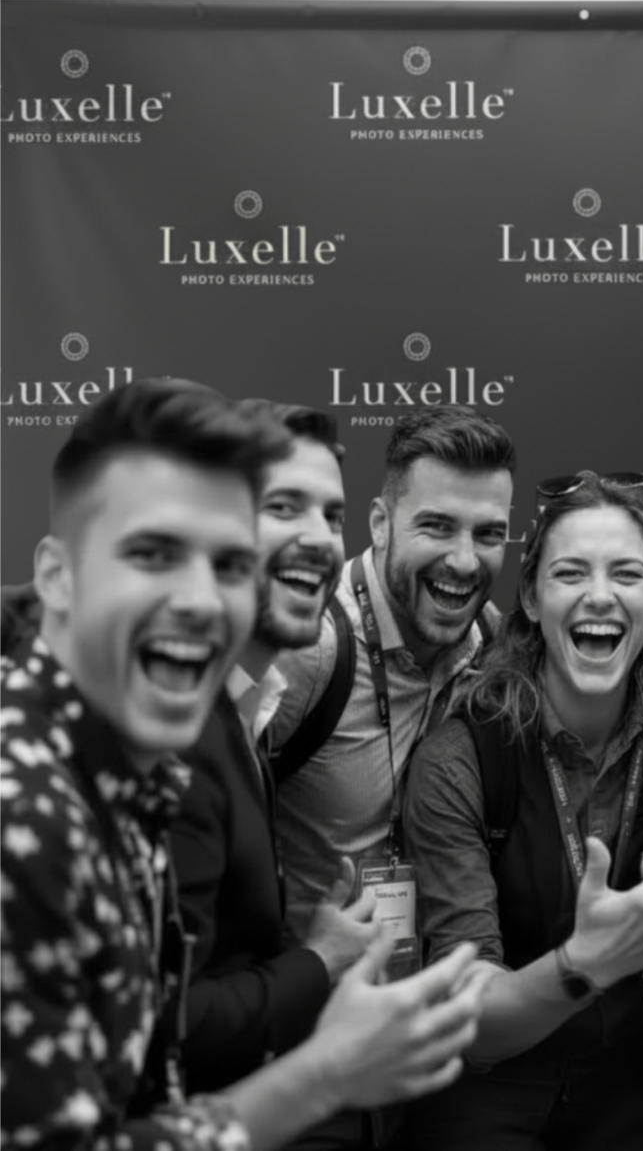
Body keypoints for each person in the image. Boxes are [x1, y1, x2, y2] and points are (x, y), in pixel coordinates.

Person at [1, 379, 486, 1151]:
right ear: (61, 575)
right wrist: (322, 1058)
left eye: (229, 564)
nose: (199, 600)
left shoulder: (150, 753)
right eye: (155, 554)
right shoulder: (33, 805)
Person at [401, 470, 643, 1150]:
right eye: (570, 574)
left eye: (626, 574)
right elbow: (473, 1022)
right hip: (488, 1083)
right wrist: (586, 961)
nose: (599, 596)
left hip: (630, 1083)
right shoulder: (460, 758)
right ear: (531, 600)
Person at [169, 400, 378, 1094]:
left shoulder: (242, 707)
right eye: (284, 507)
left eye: (331, 514)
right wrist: (319, 962)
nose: (321, 539)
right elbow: (168, 1024)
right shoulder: (167, 732)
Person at [270, 405, 517, 941]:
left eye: (489, 534)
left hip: (428, 1001)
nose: (466, 561)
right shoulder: (311, 648)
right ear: (380, 524)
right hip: (309, 1010)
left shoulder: (490, 644)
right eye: (437, 527)